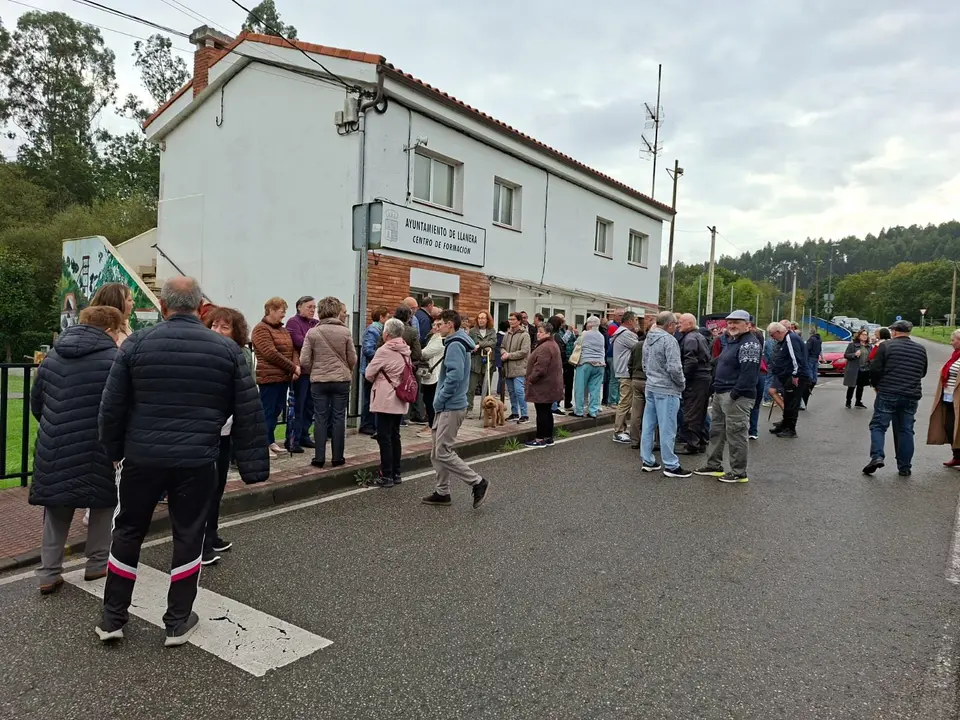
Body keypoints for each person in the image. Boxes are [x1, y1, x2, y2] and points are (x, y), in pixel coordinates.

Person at [96, 277, 269, 647]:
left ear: (163, 306)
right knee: (189, 533)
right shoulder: (226, 351)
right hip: (198, 457)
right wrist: (254, 468)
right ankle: (177, 620)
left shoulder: (136, 344)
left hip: (142, 455)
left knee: (128, 531)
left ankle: (113, 617)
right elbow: (249, 411)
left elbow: (112, 406)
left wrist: (112, 451)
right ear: (199, 307)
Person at [29, 305, 123, 594]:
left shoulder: (52, 358)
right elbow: (119, 407)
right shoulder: (115, 359)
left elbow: (37, 404)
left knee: (56, 507)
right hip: (99, 445)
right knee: (103, 503)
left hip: (55, 442)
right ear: (109, 329)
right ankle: (96, 564)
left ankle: (49, 572)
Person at [422, 310, 489, 507]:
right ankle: (442, 492)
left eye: (440, 324)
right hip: (448, 405)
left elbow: (455, 376)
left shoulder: (455, 345)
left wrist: (439, 399)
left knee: (442, 450)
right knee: (437, 451)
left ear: (450, 324)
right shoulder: (458, 343)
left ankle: (477, 482)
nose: (437, 328)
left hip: (450, 405)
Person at [202, 306, 253, 565]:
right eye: (214, 326)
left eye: (225, 327)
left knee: (218, 485)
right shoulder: (201, 353)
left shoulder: (240, 355)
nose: (218, 331)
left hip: (226, 431)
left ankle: (211, 533)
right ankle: (200, 543)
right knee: (204, 488)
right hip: (204, 432)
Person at [695, 310, 761, 483]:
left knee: (736, 434)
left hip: (736, 396)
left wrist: (734, 394)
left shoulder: (749, 344)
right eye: (730, 322)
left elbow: (748, 375)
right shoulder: (732, 341)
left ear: (747, 325)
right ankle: (714, 465)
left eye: (736, 322)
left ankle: (739, 472)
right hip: (720, 392)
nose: (731, 325)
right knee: (716, 430)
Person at [863, 320, 928, 477]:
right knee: (906, 429)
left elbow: (875, 369)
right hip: (911, 394)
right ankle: (904, 467)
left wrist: (876, 385)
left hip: (888, 392)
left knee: (878, 425)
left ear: (895, 332)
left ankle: (877, 456)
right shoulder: (920, 349)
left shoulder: (886, 346)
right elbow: (923, 372)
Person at [300, 296, 356, 469]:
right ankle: (338, 457)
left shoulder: (313, 332)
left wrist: (313, 370)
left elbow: (304, 360)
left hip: (319, 380)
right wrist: (347, 368)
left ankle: (319, 458)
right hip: (341, 380)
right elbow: (352, 357)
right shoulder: (345, 332)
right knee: (339, 417)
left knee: (320, 417)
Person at [640, 312, 690, 477]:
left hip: (651, 385)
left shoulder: (649, 338)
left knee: (648, 424)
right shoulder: (669, 340)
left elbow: (645, 363)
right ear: (670, 325)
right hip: (667, 388)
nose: (676, 327)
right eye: (675, 324)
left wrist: (651, 377)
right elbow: (674, 367)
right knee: (668, 427)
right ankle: (671, 465)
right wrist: (681, 383)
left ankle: (647, 460)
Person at [364, 318, 412, 487]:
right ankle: (397, 473)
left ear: (387, 334)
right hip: (400, 396)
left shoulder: (384, 350)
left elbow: (369, 373)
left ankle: (387, 476)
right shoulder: (405, 349)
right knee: (395, 435)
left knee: (384, 437)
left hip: (385, 398)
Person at [252, 297, 299, 457]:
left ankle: (270, 440)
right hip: (269, 377)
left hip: (283, 377)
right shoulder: (260, 329)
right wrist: (293, 367)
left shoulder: (282, 329)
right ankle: (261, 444)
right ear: (271, 310)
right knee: (267, 410)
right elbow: (270, 353)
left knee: (277, 410)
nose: (284, 314)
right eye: (282, 311)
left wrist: (294, 366)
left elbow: (292, 349)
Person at [285, 296, 319, 453]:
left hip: (313, 371)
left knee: (309, 406)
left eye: (314, 307)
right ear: (299, 307)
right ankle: (293, 439)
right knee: (298, 405)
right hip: (301, 371)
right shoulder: (294, 322)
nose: (312, 310)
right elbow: (299, 342)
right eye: (309, 307)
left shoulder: (315, 323)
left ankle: (305, 435)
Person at [524, 322, 564, 448]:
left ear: (548, 333)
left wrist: (531, 379)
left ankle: (540, 438)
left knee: (542, 412)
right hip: (550, 385)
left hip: (543, 386)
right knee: (547, 412)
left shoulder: (545, 347)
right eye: (538, 331)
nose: (538, 334)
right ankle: (548, 437)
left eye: (541, 332)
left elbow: (540, 368)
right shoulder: (552, 344)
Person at [676, 313, 712, 455]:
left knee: (691, 412)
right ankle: (701, 441)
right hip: (703, 378)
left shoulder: (690, 338)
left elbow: (690, 361)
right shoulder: (698, 336)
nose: (678, 324)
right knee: (700, 411)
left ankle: (692, 444)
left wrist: (683, 379)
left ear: (689, 324)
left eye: (681, 322)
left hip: (696, 379)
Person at [767, 321, 810, 438]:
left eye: (772, 335)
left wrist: (795, 375)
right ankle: (785, 425)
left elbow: (796, 357)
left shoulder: (790, 339)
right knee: (788, 400)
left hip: (795, 376)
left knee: (792, 403)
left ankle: (791, 429)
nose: (772, 338)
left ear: (778, 332)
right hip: (788, 375)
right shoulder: (787, 339)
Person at [927, 329, 960, 468]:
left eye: (953, 340)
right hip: (948, 397)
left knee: (958, 428)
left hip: (958, 397)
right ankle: (957, 456)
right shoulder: (955, 356)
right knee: (949, 425)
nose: (951, 342)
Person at [392, 305, 425, 424]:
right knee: (404, 389)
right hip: (405, 365)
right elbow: (417, 353)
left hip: (388, 366)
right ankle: (402, 418)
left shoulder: (388, 328)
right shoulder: (412, 331)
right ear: (408, 317)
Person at [611, 312, 640, 443]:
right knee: (625, 402)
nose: (636, 323)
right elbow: (640, 347)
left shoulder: (620, 333)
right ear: (629, 321)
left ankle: (621, 428)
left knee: (626, 401)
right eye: (635, 320)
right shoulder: (626, 334)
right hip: (626, 372)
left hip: (623, 371)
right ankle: (618, 431)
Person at [359, 307, 387, 436]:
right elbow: (367, 350)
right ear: (381, 317)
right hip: (370, 369)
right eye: (386, 317)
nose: (387, 320)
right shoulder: (373, 330)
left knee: (373, 397)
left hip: (374, 369)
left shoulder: (378, 330)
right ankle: (366, 424)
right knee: (369, 398)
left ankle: (371, 424)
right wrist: (382, 356)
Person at [573, 316, 606, 418]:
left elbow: (576, 345)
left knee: (580, 387)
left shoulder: (584, 334)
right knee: (595, 389)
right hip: (600, 364)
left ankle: (579, 411)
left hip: (585, 363)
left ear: (590, 324)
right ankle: (593, 411)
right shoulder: (601, 336)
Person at [501, 312, 531, 423]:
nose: (511, 321)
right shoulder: (507, 334)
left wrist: (509, 355)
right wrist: (504, 352)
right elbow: (502, 346)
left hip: (519, 368)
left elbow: (524, 352)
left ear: (519, 321)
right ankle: (514, 413)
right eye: (510, 319)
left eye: (513, 319)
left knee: (519, 392)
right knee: (511, 392)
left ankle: (524, 414)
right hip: (508, 368)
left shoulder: (524, 335)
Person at [418, 317, 445, 437]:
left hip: (435, 375)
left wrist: (420, 353)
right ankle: (430, 423)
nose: (435, 327)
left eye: (438, 325)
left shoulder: (440, 340)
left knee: (431, 401)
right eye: (434, 325)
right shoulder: (433, 337)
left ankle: (433, 425)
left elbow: (425, 352)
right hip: (428, 374)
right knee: (427, 400)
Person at [468, 311, 497, 415]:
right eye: (479, 318)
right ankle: (469, 409)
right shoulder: (472, 331)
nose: (481, 320)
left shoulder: (492, 331)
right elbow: (470, 344)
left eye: (483, 318)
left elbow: (493, 343)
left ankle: (487, 410)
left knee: (487, 388)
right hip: (475, 363)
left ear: (487, 320)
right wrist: (482, 346)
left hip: (488, 362)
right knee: (471, 388)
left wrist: (479, 344)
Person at [627, 322, 648, 448]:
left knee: (636, 412)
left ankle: (635, 439)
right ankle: (652, 440)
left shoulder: (637, 345)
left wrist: (632, 375)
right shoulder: (654, 346)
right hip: (649, 380)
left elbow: (630, 363)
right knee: (653, 412)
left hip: (636, 379)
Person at [843, 329, 872, 409]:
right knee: (851, 386)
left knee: (860, 386)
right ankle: (848, 401)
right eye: (863, 334)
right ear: (859, 336)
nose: (865, 336)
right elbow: (846, 355)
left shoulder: (869, 346)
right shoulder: (852, 345)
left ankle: (858, 401)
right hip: (854, 368)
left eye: (866, 335)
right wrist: (854, 355)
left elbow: (871, 356)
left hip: (864, 369)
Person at [804, 327, 822, 407]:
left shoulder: (811, 340)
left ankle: (808, 384)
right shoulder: (819, 340)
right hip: (816, 357)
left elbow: (807, 349)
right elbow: (820, 350)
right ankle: (813, 382)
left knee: (809, 372)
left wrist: (805, 359)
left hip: (810, 357)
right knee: (814, 373)